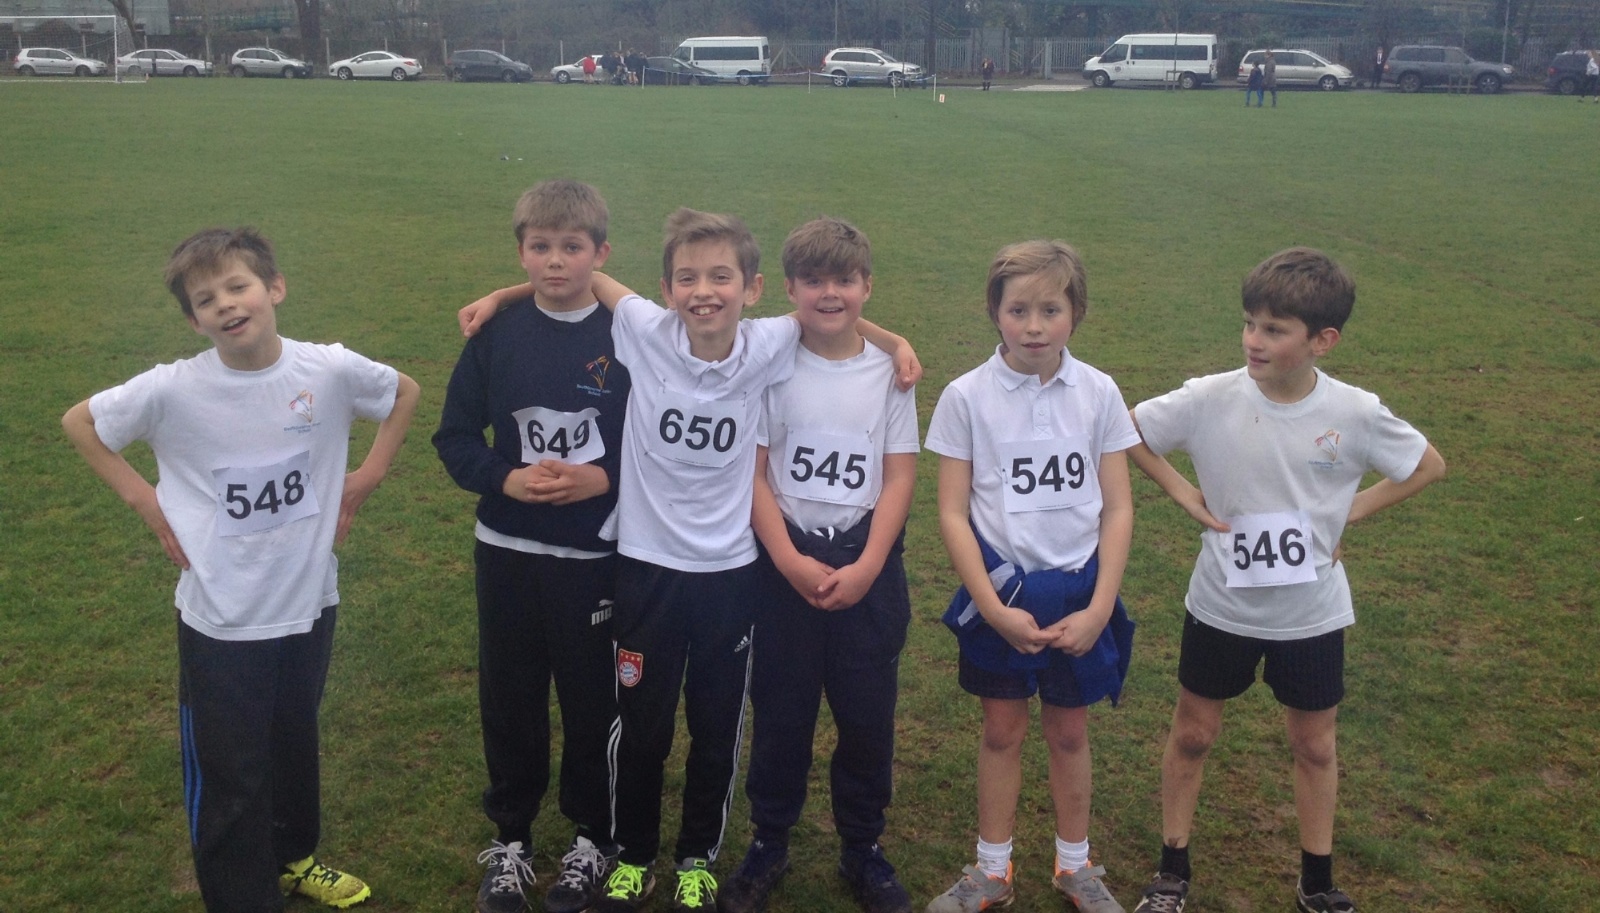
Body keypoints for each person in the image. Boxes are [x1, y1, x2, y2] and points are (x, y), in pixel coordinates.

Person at [457, 209, 919, 913]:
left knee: (715, 727)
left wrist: (896, 341)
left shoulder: (767, 342)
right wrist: (502, 295)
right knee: (641, 725)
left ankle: (697, 858)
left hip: (731, 573)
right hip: (645, 567)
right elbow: (578, 277)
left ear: (753, 289)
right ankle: (633, 855)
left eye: (721, 277)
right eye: (687, 279)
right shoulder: (644, 330)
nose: (704, 292)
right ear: (666, 290)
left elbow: (830, 312)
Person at [61, 227, 420, 913]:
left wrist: (368, 475)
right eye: (206, 299)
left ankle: (294, 858)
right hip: (223, 619)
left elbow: (402, 392)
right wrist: (145, 500)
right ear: (194, 321)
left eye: (237, 286)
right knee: (232, 771)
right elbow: (82, 423)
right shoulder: (173, 389)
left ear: (274, 288)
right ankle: (241, 896)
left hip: (309, 601)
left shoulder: (328, 370)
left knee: (293, 740)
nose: (225, 304)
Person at [1125, 248, 1447, 913]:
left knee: (1315, 744)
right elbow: (1127, 430)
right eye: (1250, 323)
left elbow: (1426, 465)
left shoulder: (1354, 411)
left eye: (1274, 329)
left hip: (1311, 614)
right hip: (1220, 605)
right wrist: (1183, 491)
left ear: (1322, 340)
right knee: (1193, 733)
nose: (1254, 339)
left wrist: (1345, 512)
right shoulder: (1210, 397)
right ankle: (1171, 869)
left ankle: (1317, 881)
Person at [923, 240, 1139, 913]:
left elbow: (1119, 507)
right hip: (1005, 593)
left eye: (1051, 309)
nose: (1035, 326)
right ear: (995, 312)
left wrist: (1100, 608)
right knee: (1002, 731)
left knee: (1070, 732)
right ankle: (992, 870)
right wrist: (991, 608)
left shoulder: (1099, 391)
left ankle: (1076, 865)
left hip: (1078, 594)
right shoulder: (966, 396)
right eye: (1019, 310)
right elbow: (953, 512)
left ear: (1077, 313)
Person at [433, 180, 631, 913]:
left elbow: (659, 446)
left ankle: (592, 837)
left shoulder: (629, 337)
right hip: (507, 552)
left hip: (593, 557)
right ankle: (511, 837)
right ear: (520, 253)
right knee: (510, 694)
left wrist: (603, 478)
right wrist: (506, 479)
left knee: (591, 699)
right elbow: (455, 437)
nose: (555, 261)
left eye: (571, 247)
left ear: (600, 253)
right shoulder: (496, 335)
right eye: (540, 247)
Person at [718, 218, 919, 913]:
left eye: (845, 280)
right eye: (814, 281)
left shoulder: (890, 374)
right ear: (789, 288)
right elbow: (754, 471)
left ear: (868, 286)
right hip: (784, 568)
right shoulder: (769, 364)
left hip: (865, 565)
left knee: (867, 718)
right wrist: (786, 557)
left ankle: (862, 847)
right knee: (781, 713)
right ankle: (769, 841)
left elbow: (899, 475)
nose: (830, 293)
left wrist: (868, 565)